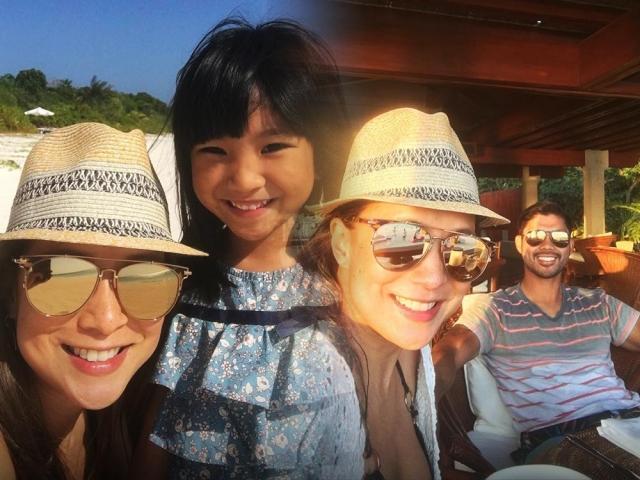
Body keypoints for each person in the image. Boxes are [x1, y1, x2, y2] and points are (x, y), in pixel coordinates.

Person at [133, 18, 363, 479]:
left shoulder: (350, 280)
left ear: (321, 153)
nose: (244, 178)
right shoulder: (175, 285)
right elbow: (154, 428)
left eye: (272, 146)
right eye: (215, 151)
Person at [303, 107, 509, 480]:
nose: (433, 278)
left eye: (462, 247)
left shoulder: (415, 357)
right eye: (399, 239)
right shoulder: (298, 392)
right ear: (341, 244)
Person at [0, 122, 204, 479]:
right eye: (61, 273)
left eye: (146, 277)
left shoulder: (131, 418)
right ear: (10, 294)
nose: (106, 320)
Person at [433, 200, 640, 462]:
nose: (547, 245)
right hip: (565, 437)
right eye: (536, 237)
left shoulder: (597, 303)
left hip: (630, 420)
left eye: (559, 238)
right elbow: (450, 351)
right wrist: (422, 397)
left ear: (570, 247)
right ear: (520, 244)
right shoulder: (496, 309)